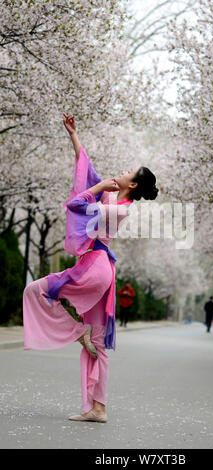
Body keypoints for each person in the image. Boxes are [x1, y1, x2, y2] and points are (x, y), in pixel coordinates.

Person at [23, 113, 159, 423]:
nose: (121, 171)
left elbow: (75, 203)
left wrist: (98, 186)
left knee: (35, 290)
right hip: (103, 272)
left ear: (133, 184)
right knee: (99, 345)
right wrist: (74, 135)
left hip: (93, 268)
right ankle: (99, 409)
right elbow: (87, 168)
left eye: (128, 171)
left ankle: (75, 330)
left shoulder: (116, 208)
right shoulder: (115, 199)